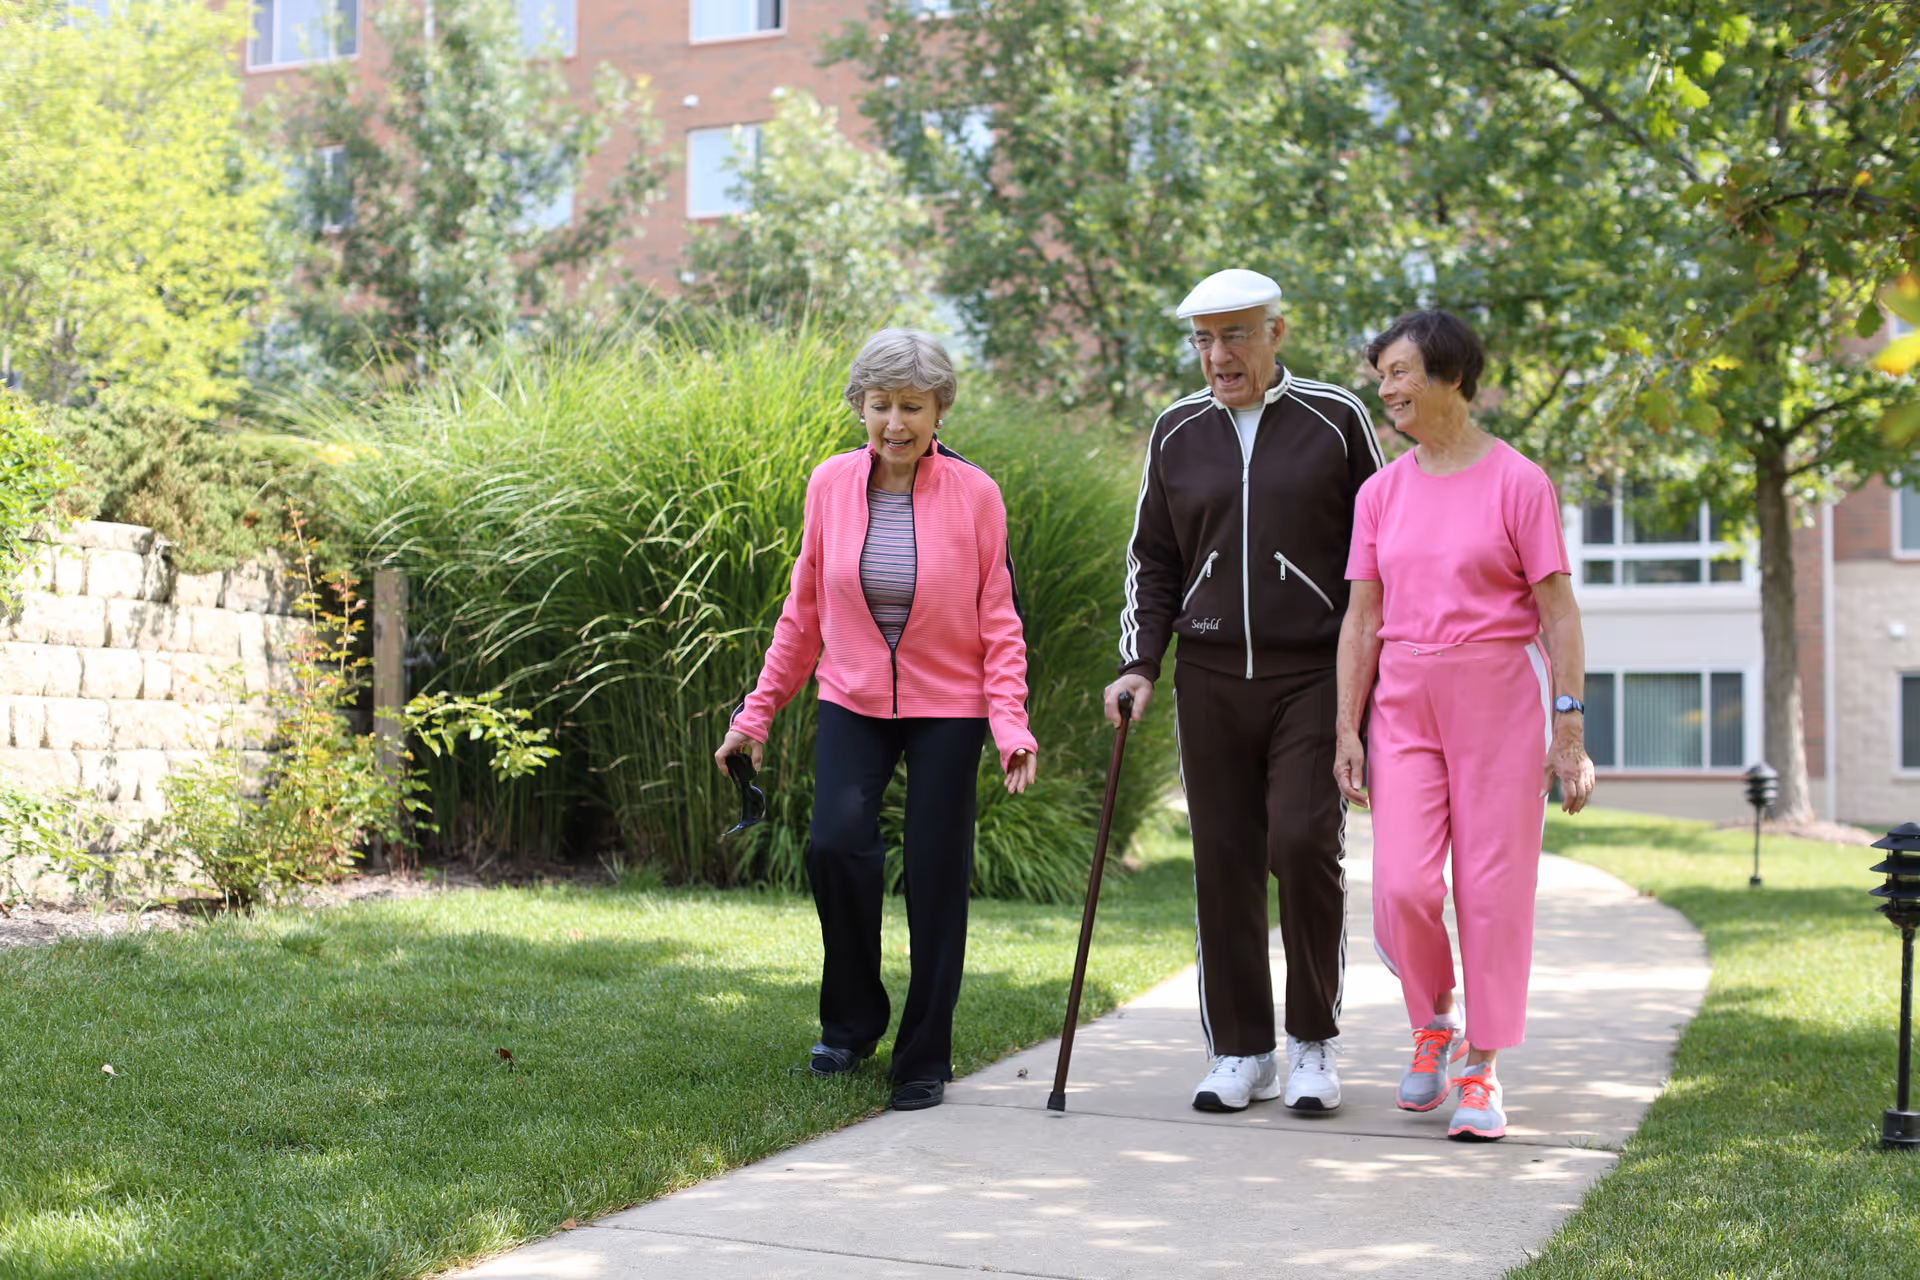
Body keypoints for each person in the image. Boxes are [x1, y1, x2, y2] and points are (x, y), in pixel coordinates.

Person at [716, 328, 1038, 1113]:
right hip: (854, 695)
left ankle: (923, 1055)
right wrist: (755, 715)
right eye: (881, 405)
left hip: (948, 706)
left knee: (934, 875)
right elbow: (803, 613)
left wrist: (1010, 724)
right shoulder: (829, 484)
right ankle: (852, 1022)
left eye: (912, 407)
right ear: (860, 405)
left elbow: (998, 616)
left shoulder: (975, 494)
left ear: (938, 411)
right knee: (835, 844)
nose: (895, 423)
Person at [1108, 269, 1383, 1114]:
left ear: (1277, 333)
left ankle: (1311, 1043)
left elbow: (1380, 549)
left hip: (1312, 672)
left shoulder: (1337, 418)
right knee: (1222, 860)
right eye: (1203, 340)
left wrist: (1376, 682)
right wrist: (1139, 662)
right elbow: (1152, 560)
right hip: (1212, 674)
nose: (1218, 357)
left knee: (1303, 844)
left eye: (1234, 337)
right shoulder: (1177, 430)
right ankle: (1239, 1049)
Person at [1333, 309, 1595, 1142]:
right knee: (1404, 887)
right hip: (1404, 699)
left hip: (1497, 697)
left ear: (1451, 377)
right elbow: (1362, 618)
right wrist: (1348, 726)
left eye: (1401, 372)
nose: (1388, 388)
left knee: (1491, 891)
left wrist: (1570, 732)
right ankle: (1432, 1018)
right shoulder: (1380, 492)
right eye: (1383, 375)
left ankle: (1482, 1068)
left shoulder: (1520, 481)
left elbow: (1558, 615)